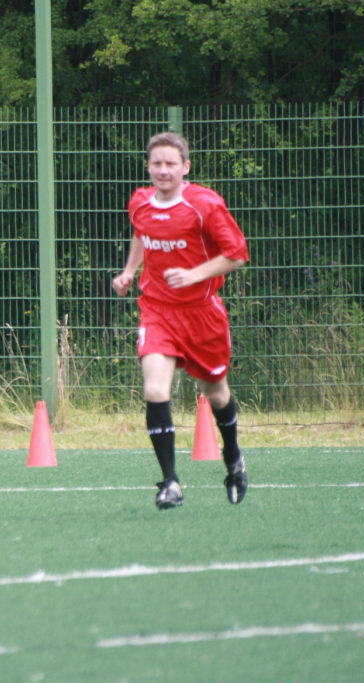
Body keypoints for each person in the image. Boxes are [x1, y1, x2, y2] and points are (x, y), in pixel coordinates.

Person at [111, 132, 250, 510]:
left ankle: (233, 457)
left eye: (171, 164)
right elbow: (142, 234)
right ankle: (170, 482)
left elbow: (237, 254)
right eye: (156, 163)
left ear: (185, 167)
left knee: (216, 393)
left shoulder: (204, 204)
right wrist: (129, 272)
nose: (163, 170)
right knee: (155, 390)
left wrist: (193, 275)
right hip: (157, 310)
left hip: (202, 315)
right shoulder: (140, 202)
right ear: (148, 166)